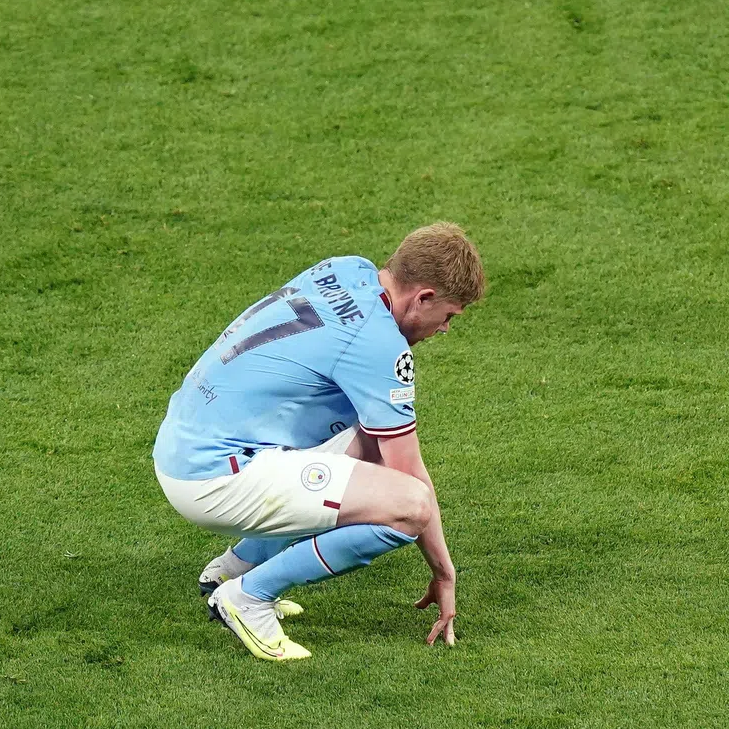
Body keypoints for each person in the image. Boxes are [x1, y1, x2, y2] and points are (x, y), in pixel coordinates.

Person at [152, 222, 485, 660]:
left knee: (372, 442)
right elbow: (411, 479)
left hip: (182, 441)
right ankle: (248, 598)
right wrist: (444, 571)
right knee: (410, 507)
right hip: (211, 477)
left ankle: (229, 573)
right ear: (422, 297)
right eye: (448, 315)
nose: (444, 328)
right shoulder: (381, 346)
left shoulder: (347, 269)